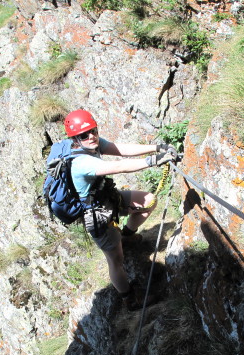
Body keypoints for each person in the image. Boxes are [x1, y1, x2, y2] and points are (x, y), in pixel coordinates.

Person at [63, 109, 178, 311]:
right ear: (75, 139)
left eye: (93, 131)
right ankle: (129, 299)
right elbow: (119, 166)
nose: (91, 136)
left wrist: (157, 147)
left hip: (109, 199)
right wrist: (153, 160)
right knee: (116, 259)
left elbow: (121, 149)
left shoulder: (92, 145)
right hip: (97, 215)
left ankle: (126, 236)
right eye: (84, 135)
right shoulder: (81, 162)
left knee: (149, 201)